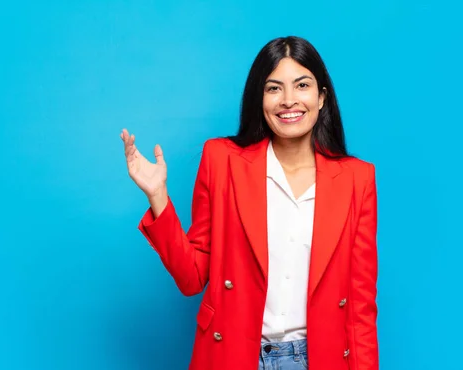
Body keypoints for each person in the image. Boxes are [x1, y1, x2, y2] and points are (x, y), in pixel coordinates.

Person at [120, 36, 378, 370]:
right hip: (233, 357)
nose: (288, 100)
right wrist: (158, 198)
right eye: (273, 88)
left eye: (302, 85)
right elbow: (192, 278)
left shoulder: (357, 179)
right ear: (259, 98)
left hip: (318, 360)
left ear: (322, 98)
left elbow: (360, 310)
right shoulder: (221, 160)